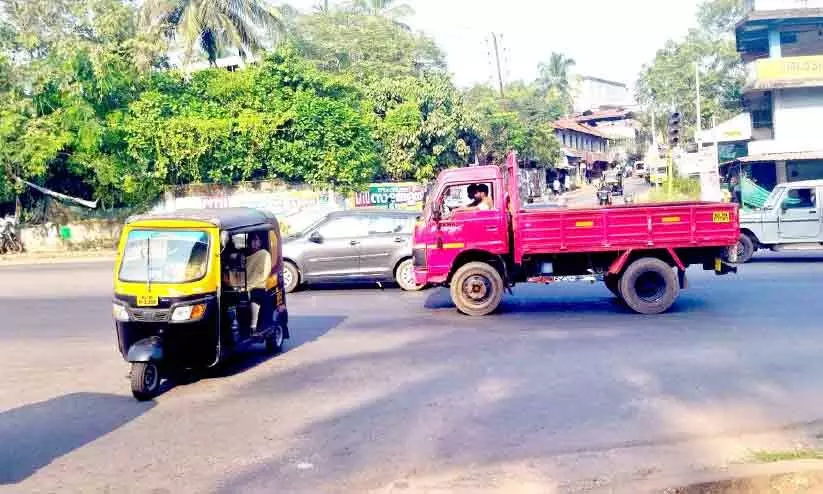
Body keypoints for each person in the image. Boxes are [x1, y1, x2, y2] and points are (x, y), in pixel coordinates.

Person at [246, 233, 271, 332]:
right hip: (244, 285)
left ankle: (253, 326)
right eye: (252, 240)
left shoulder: (264, 254)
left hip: (258, 286)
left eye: (257, 240)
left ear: (260, 242)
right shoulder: (246, 256)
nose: (254, 243)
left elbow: (263, 275)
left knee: (255, 296)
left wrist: (249, 286)